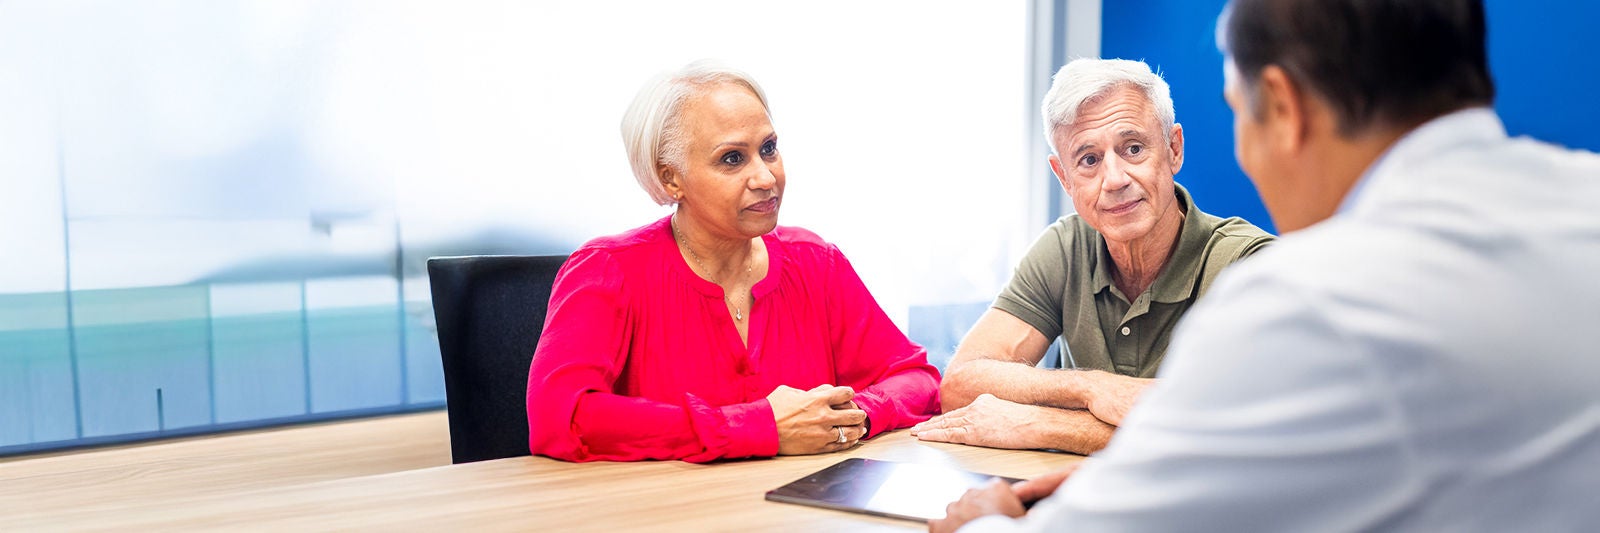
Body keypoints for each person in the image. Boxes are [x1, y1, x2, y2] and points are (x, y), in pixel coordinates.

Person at [933, 0, 1600, 530]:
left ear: (1281, 107)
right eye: (1087, 160)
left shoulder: (1306, 302)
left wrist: (985, 520)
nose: (1115, 179)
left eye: (1237, 110)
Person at [526, 61, 940, 462]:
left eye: (769, 149)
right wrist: (759, 426)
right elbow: (562, 417)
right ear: (671, 178)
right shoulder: (608, 269)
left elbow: (918, 380)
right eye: (732, 159)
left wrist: (851, 417)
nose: (765, 178)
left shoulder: (816, 263)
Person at [912, 58, 1273, 454]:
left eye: (1133, 149)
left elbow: (1249, 433)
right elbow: (962, 383)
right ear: (1064, 177)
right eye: (1089, 160)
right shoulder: (1065, 246)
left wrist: (1049, 425)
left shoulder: (1250, 266)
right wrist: (1093, 387)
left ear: (1173, 149)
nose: (1115, 180)